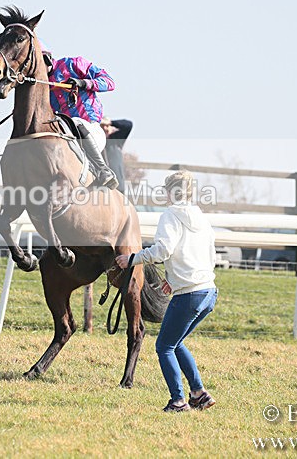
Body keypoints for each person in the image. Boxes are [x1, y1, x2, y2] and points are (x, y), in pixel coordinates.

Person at [115, 170, 218, 413]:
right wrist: (173, 279)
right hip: (209, 291)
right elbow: (208, 254)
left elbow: (163, 250)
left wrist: (132, 259)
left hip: (189, 295)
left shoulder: (170, 215)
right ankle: (199, 394)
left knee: (164, 346)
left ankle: (178, 401)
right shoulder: (201, 217)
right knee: (176, 342)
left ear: (171, 192)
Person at [42, 49, 118, 189]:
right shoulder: (42, 84)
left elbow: (110, 82)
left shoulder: (73, 64)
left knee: (75, 122)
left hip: (91, 130)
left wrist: (83, 83)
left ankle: (104, 170)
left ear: (46, 59)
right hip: (65, 139)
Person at [101, 117, 133, 194]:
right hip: (102, 187)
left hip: (118, 185)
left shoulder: (116, 139)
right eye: (102, 126)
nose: (105, 128)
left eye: (107, 126)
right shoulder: (95, 142)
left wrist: (111, 122)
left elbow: (128, 125)